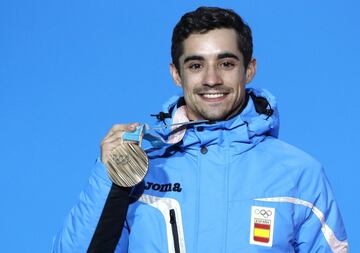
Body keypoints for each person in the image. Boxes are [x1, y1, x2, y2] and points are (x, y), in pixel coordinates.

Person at [52, 6, 348, 253]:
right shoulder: (141, 168)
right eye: (196, 65)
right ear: (176, 74)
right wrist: (109, 176)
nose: (211, 79)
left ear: (249, 69)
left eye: (226, 63)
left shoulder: (301, 175)